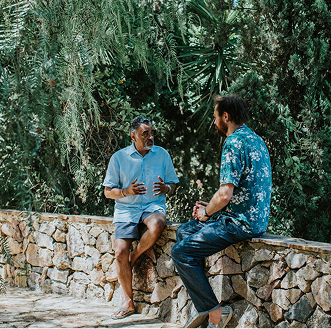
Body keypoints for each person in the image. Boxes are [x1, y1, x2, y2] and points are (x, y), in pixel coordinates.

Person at [171, 95, 272, 328]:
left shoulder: (233, 142)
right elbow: (238, 192)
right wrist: (210, 208)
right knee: (185, 232)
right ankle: (201, 306)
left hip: (239, 222)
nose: (214, 123)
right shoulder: (255, 139)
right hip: (251, 218)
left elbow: (225, 194)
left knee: (180, 253)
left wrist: (207, 212)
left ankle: (216, 313)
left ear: (226, 117)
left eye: (215, 118)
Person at [103, 115, 179, 320]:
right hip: (126, 209)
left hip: (152, 206)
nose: (150, 137)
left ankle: (134, 257)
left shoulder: (162, 155)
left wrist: (166, 188)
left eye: (151, 132)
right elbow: (108, 192)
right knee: (120, 253)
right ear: (133, 136)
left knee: (158, 224)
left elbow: (173, 186)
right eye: (145, 134)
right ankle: (128, 302)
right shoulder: (119, 158)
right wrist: (126, 191)